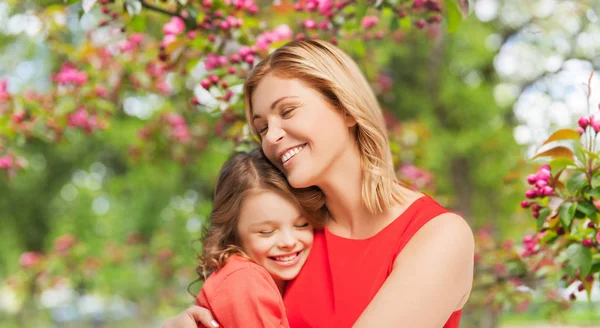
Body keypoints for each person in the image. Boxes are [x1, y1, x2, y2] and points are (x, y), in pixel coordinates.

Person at [162, 39, 474, 328]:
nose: (271, 137)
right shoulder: (291, 239)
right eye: (261, 128)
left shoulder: (438, 235)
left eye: (287, 111)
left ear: (346, 107)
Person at [163, 149, 324, 328]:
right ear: (233, 233)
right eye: (266, 231)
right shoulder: (245, 281)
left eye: (302, 225)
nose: (288, 241)